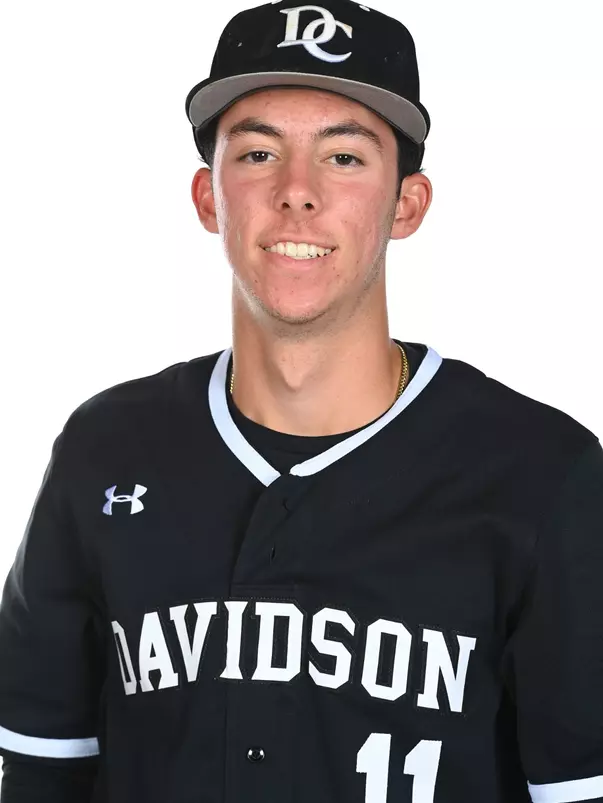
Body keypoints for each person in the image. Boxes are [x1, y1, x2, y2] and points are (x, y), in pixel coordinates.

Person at [1, 0, 603, 801]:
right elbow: (41, 775)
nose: (296, 193)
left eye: (344, 158)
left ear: (407, 204)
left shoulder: (541, 474)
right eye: (255, 153)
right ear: (208, 197)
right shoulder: (105, 450)